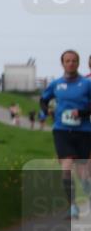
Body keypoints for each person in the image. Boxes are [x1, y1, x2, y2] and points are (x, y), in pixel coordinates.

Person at [39, 50, 91, 219]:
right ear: (62, 63)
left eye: (74, 60)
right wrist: (47, 111)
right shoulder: (56, 84)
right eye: (67, 61)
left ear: (78, 63)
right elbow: (43, 99)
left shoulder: (86, 84)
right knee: (67, 167)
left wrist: (82, 113)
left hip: (83, 131)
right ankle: (73, 207)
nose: (71, 63)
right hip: (61, 131)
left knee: (83, 174)